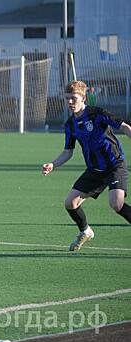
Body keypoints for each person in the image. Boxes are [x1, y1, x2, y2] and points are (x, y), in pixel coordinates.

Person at [42, 80, 131, 251]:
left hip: (114, 165)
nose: (69, 102)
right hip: (94, 170)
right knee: (70, 203)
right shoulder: (70, 125)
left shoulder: (97, 114)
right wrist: (53, 164)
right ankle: (85, 231)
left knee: (116, 204)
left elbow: (124, 127)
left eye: (73, 98)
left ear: (83, 98)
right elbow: (68, 152)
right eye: (67, 98)